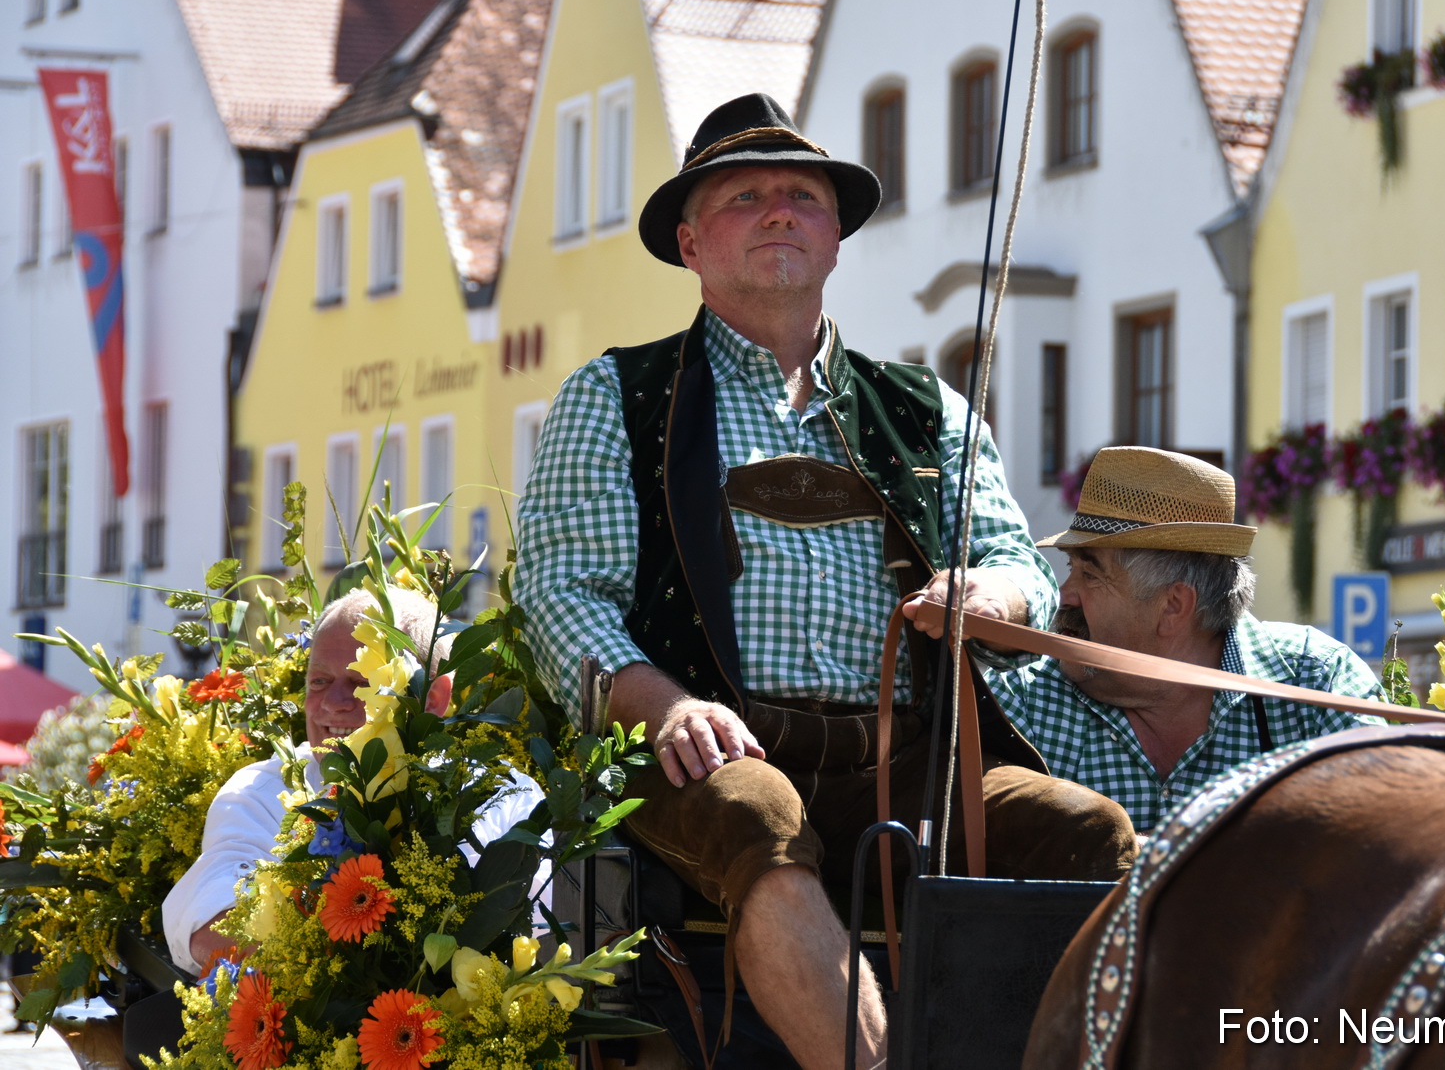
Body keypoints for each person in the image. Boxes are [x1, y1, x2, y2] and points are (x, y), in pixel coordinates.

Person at [515, 93, 1136, 1070]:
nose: (778, 210)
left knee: (1087, 830)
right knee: (760, 814)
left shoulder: (922, 411)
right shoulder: (616, 396)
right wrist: (667, 708)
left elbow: (1016, 560)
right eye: (744, 195)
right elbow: (561, 596)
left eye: (802, 194)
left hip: (906, 762)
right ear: (687, 242)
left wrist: (992, 596)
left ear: (836, 238)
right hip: (704, 760)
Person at [992, 446, 1387, 833]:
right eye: (1070, 567)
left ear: (1173, 606)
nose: (1065, 593)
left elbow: (1387, 836)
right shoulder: (1023, 697)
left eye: (1090, 575)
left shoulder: (1313, 682)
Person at [160, 587, 543, 972]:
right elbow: (210, 920)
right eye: (319, 682)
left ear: (432, 698)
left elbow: (540, 929)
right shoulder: (262, 791)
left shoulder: (505, 795)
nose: (332, 703)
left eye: (362, 684)